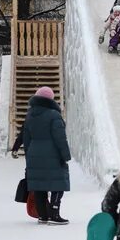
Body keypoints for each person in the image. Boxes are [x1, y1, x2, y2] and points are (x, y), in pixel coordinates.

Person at [22, 86, 71, 225]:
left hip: (33, 153)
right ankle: (54, 214)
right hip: (52, 153)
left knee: (38, 185)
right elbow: (60, 138)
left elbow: (26, 138)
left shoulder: (30, 115)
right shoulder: (54, 115)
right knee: (58, 183)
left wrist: (29, 155)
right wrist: (65, 155)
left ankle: (43, 216)